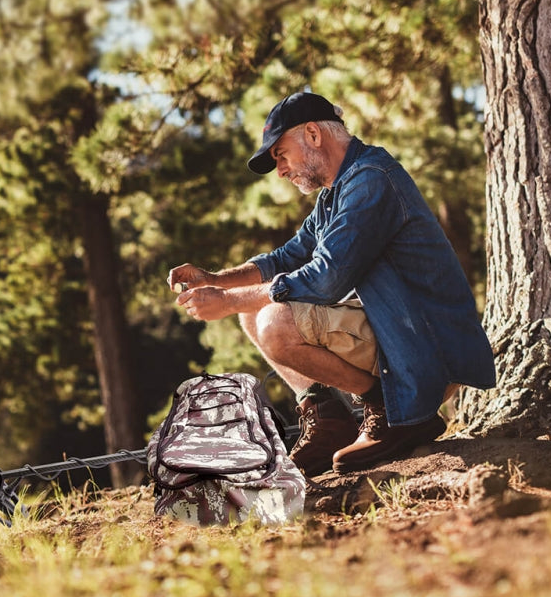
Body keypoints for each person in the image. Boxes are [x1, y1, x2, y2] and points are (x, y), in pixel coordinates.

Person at [168, 92, 496, 475]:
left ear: (312, 134)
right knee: (252, 310)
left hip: (423, 344)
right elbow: (286, 258)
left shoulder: (371, 180)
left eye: (281, 154)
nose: (281, 170)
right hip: (396, 328)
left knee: (274, 320)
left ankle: (391, 413)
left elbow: (326, 278)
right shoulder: (335, 193)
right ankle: (328, 423)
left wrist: (227, 300)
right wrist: (217, 280)